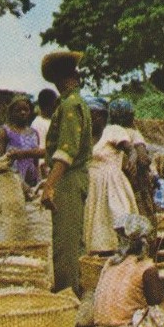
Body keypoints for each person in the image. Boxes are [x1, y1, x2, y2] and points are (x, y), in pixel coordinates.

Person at [40, 51, 94, 294]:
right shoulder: (72, 103)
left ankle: (67, 297)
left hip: (68, 179)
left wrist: (49, 185)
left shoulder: (71, 105)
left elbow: (66, 151)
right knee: (72, 242)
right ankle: (74, 293)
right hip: (72, 178)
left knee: (65, 245)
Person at [83, 113, 139, 254]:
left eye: (96, 114)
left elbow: (130, 149)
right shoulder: (83, 136)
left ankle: (122, 255)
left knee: (118, 218)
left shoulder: (113, 131)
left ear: (103, 116)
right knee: (95, 224)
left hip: (112, 185)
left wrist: (132, 160)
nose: (93, 118)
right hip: (91, 185)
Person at [108, 99, 155, 223]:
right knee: (142, 218)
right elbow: (143, 159)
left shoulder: (108, 133)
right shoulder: (133, 134)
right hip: (135, 184)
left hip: (112, 183)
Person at [0, 96, 45, 190]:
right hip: (11, 183)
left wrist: (39, 182)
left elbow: (36, 163)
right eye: (18, 110)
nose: (23, 113)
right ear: (11, 112)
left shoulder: (34, 133)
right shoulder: (4, 131)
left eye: (26, 110)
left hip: (32, 183)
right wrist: (19, 182)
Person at [32, 88, 59, 174]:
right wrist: (43, 166)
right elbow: (39, 148)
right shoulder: (38, 124)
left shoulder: (51, 121)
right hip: (45, 168)